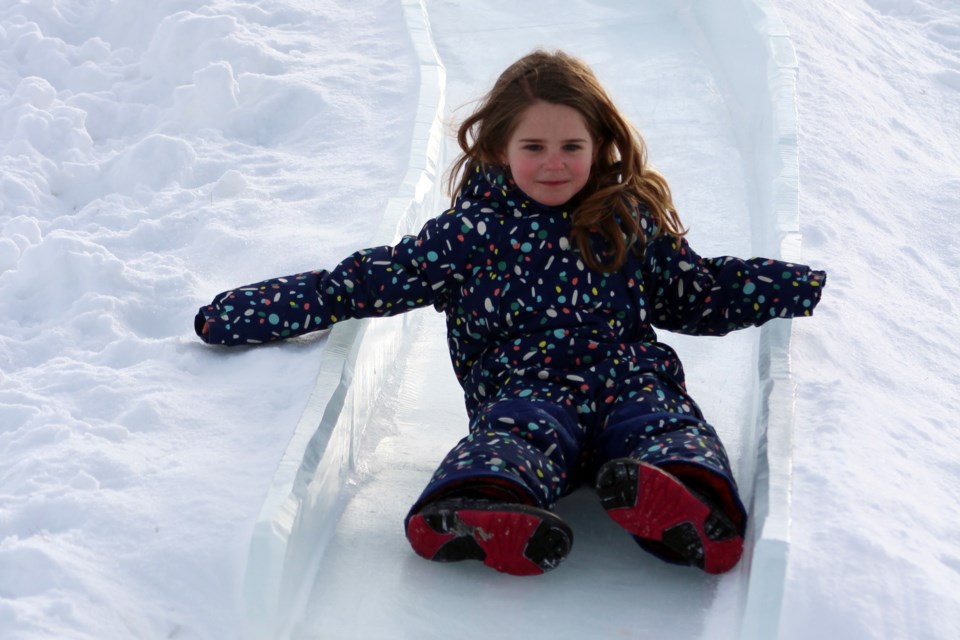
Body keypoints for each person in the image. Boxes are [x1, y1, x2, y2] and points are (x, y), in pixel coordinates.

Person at [195, 50, 826, 577]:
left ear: (601, 143)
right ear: (498, 148)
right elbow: (363, 283)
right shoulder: (469, 234)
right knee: (515, 435)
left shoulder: (623, 217)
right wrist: (250, 312)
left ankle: (686, 500)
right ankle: (479, 507)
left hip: (629, 376)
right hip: (527, 384)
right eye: (535, 146)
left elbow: (697, 290)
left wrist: (793, 287)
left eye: (571, 145)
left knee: (662, 421)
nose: (555, 162)